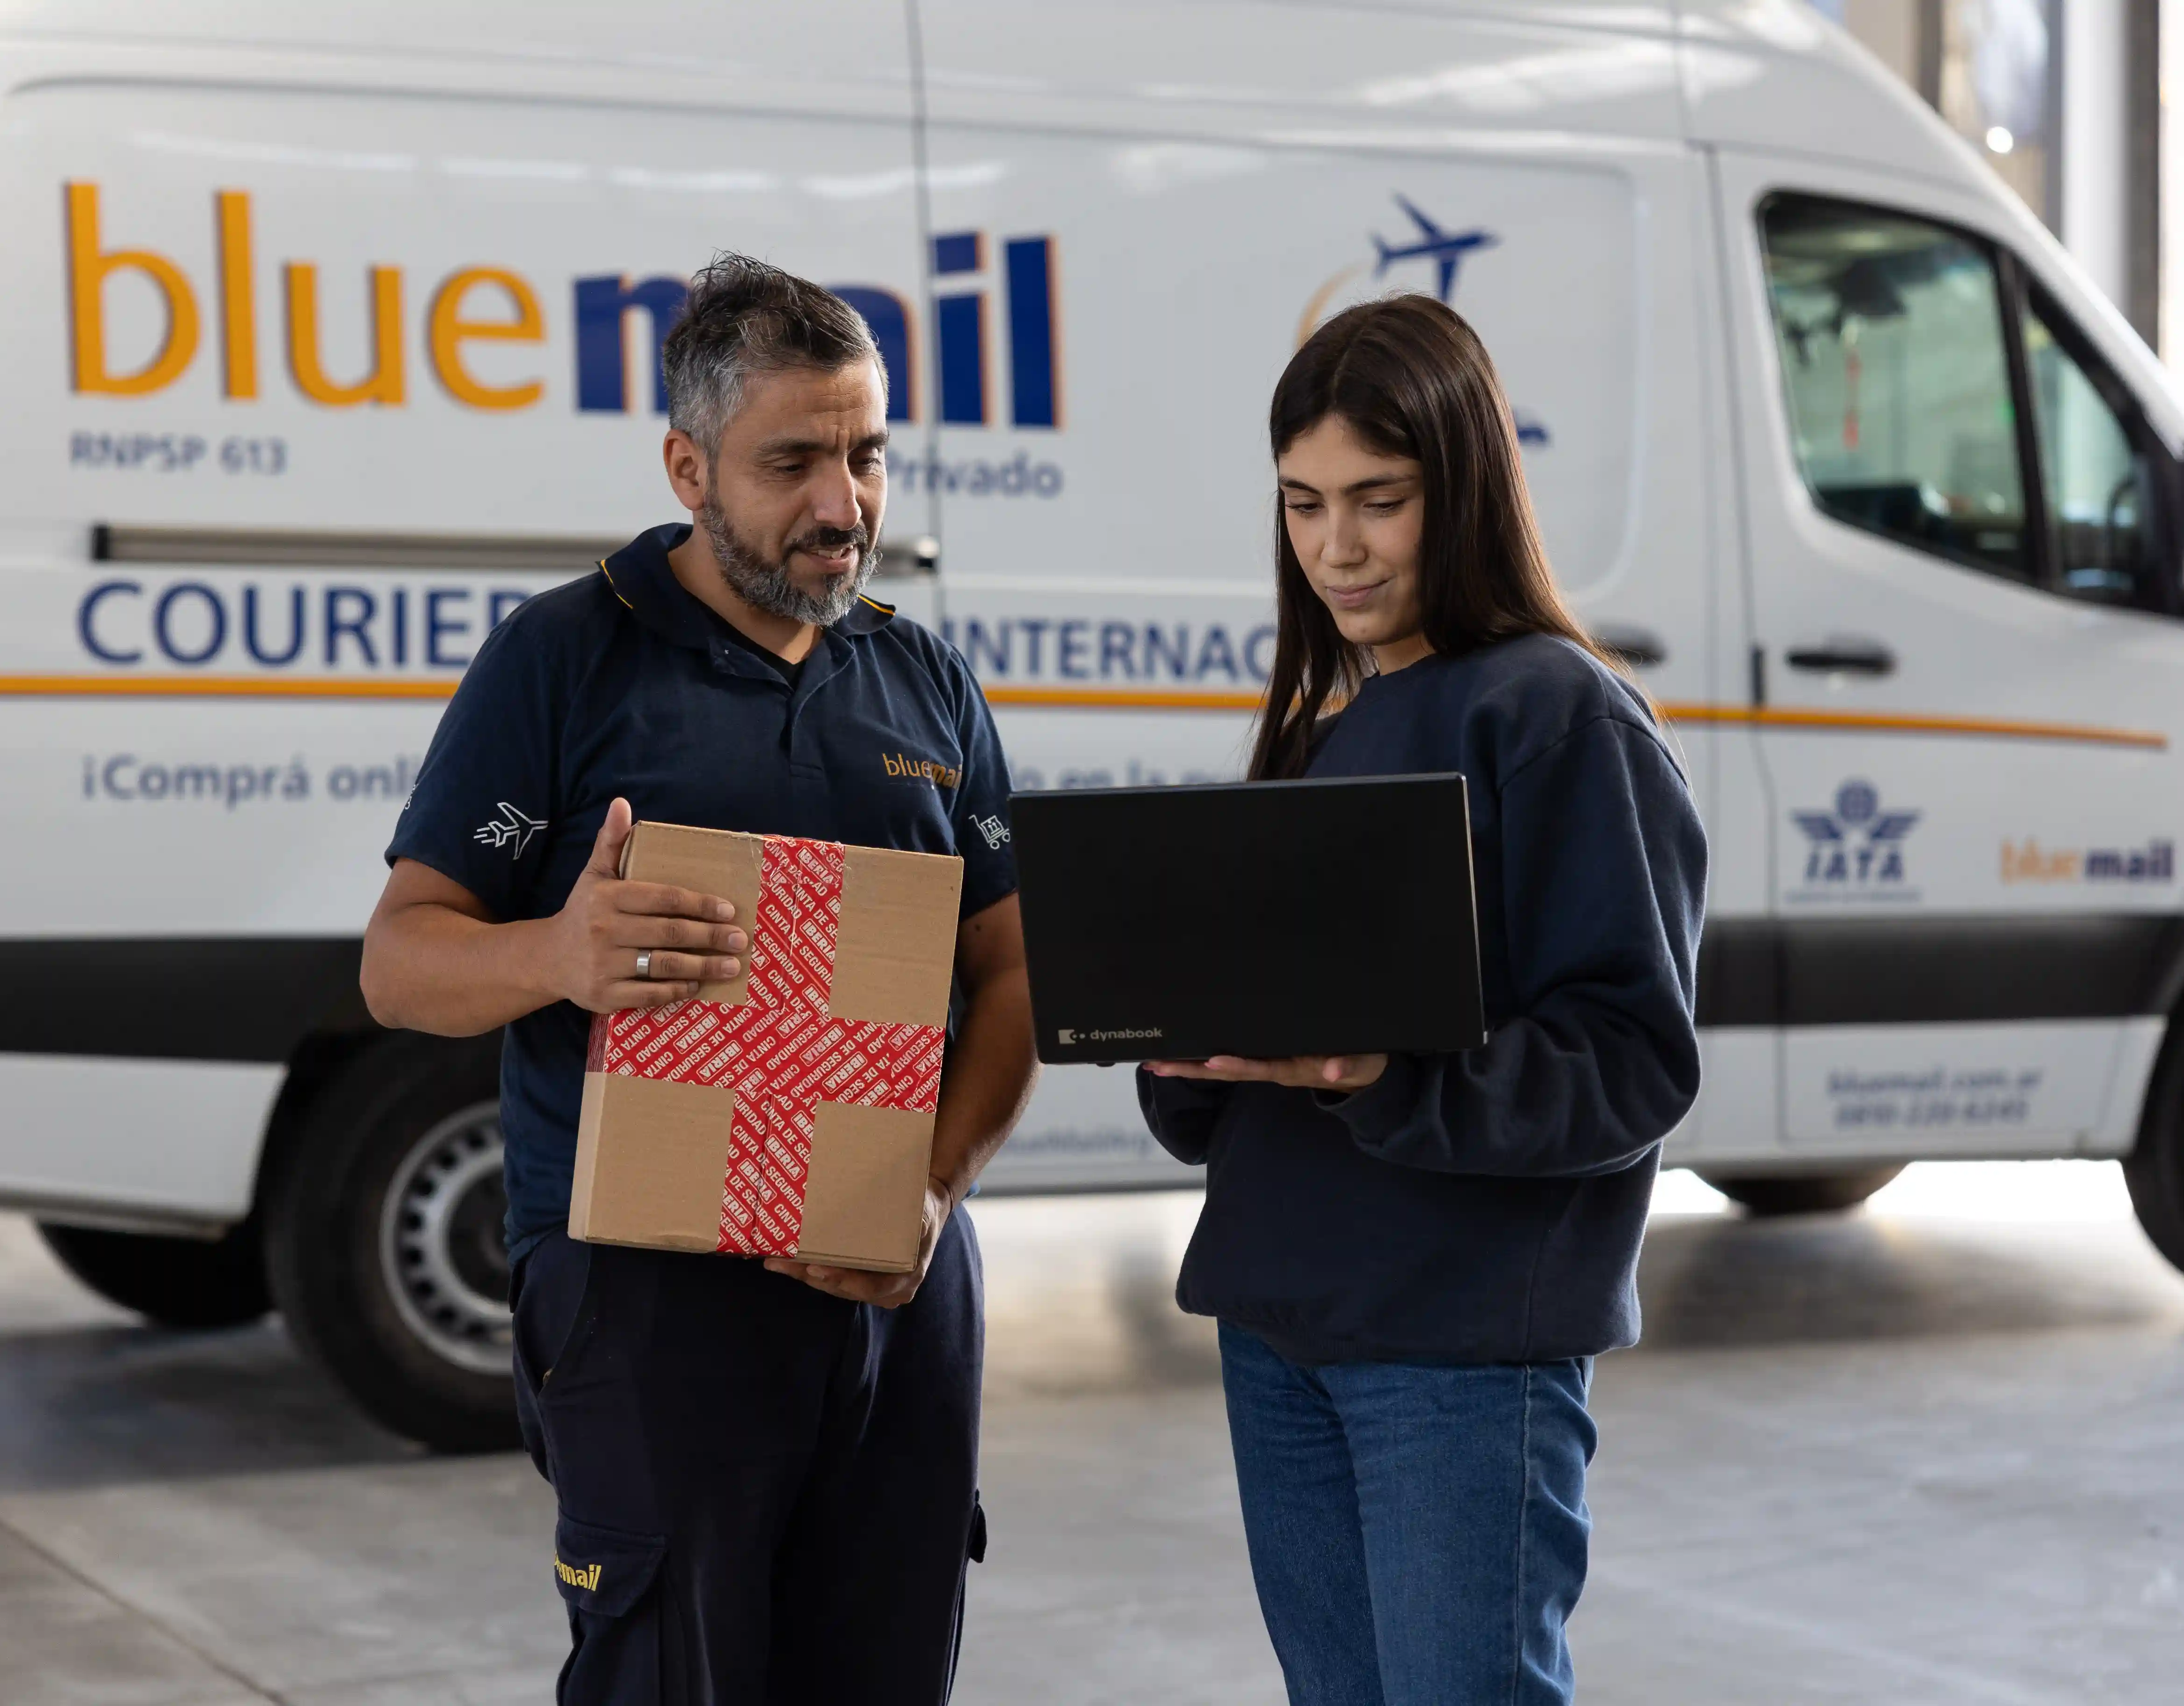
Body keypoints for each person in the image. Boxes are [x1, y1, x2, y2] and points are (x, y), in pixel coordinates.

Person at [360, 253, 1037, 1705]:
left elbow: (1013, 978)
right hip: (644, 1291)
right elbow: (399, 961)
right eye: (792, 463)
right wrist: (556, 954)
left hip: (895, 1282)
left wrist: (930, 1193)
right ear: (688, 468)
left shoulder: (926, 682)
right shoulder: (563, 660)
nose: (843, 505)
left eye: (868, 457)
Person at [1139, 294, 1705, 1706]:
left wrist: (1388, 1077)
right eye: (1304, 504)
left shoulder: (1559, 714)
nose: (1337, 547)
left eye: (1379, 501)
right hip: (1280, 1329)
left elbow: (1633, 1061)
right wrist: (1179, 1032)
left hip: (1456, 1353)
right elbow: (1232, 1102)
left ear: (1466, 490)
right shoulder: (1318, 734)